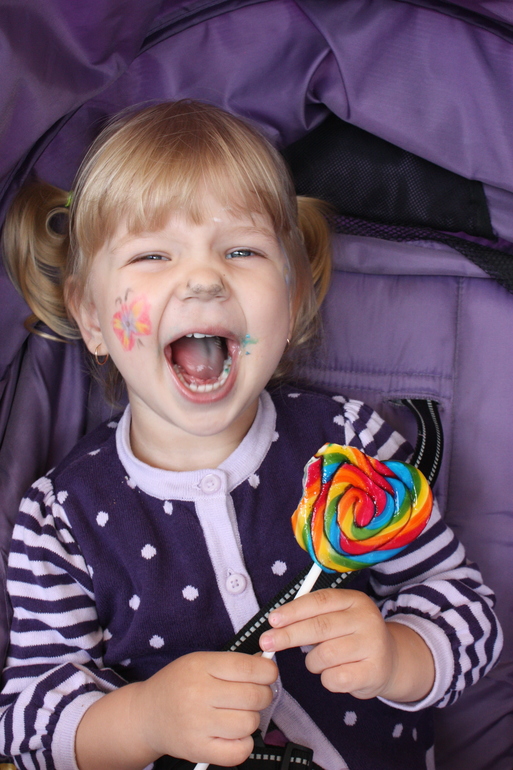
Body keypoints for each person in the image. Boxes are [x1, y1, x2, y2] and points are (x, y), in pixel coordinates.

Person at [0, 100, 502, 770]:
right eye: (152, 255)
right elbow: (29, 727)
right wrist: (143, 719)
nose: (204, 279)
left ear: (291, 302)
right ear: (91, 316)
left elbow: (467, 610)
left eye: (241, 251)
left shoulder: (352, 446)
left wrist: (399, 655)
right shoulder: (61, 518)